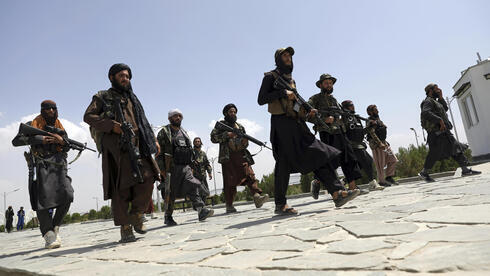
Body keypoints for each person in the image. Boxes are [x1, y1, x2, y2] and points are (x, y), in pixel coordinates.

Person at [257, 47, 359, 215]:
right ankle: (280, 204)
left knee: (318, 153)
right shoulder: (270, 77)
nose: (288, 58)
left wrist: (307, 112)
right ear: (278, 59)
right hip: (281, 124)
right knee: (284, 163)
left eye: (290, 56)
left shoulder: (291, 80)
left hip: (296, 123)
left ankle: (337, 192)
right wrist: (283, 92)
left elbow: (294, 104)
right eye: (284, 55)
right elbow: (261, 99)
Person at [84, 63, 161, 243]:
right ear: (112, 78)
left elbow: (143, 120)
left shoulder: (133, 98)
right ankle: (125, 227)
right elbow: (88, 116)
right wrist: (112, 126)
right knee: (122, 187)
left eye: (127, 76)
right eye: (121, 76)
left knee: (149, 177)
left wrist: (153, 140)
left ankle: (136, 213)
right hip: (116, 148)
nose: (125, 79)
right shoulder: (102, 96)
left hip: (138, 144)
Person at [12, 100, 74, 248]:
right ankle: (48, 234)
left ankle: (55, 227)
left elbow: (67, 147)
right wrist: (40, 139)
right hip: (41, 165)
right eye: (47, 108)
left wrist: (62, 141)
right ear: (42, 110)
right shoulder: (32, 124)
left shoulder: (60, 127)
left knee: (68, 195)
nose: (51, 111)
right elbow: (16, 141)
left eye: (54, 108)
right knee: (42, 201)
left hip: (59, 166)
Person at [308, 74, 365, 197]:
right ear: (321, 85)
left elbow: (341, 115)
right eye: (326, 83)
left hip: (340, 132)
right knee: (332, 160)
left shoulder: (335, 100)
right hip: (327, 132)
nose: (329, 85)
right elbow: (307, 115)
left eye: (330, 83)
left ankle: (352, 187)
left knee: (349, 158)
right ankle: (317, 180)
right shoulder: (315, 99)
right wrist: (324, 119)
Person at [156, 109, 214, 226]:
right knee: (170, 193)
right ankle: (168, 216)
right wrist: (161, 170)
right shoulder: (164, 132)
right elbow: (158, 153)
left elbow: (189, 151)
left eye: (179, 116)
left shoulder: (184, 132)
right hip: (170, 168)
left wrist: (192, 165)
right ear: (169, 118)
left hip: (185, 167)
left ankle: (201, 210)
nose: (178, 118)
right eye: (175, 116)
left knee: (192, 185)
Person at [210, 104, 269, 213]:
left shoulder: (240, 126)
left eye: (234, 112)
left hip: (241, 155)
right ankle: (229, 205)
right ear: (226, 113)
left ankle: (257, 197)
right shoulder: (221, 125)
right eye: (230, 112)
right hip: (228, 157)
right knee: (230, 181)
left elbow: (245, 141)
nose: (233, 114)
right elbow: (213, 138)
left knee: (249, 175)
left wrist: (244, 142)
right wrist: (227, 135)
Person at [419, 83, 481, 181]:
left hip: (444, 132)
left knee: (456, 148)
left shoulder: (436, 102)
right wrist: (439, 120)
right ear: (430, 91)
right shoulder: (428, 102)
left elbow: (445, 109)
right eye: (436, 89)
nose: (439, 90)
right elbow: (426, 113)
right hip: (436, 134)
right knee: (434, 154)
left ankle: (465, 170)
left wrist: (441, 97)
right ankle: (424, 172)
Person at [341, 100, 384, 191]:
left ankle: (344, 181)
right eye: (351, 105)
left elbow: (360, 132)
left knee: (358, 167)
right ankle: (372, 183)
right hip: (353, 146)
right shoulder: (344, 119)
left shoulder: (356, 118)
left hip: (360, 145)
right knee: (368, 161)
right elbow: (343, 133)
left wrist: (369, 127)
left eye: (353, 105)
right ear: (346, 107)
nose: (353, 107)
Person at [366, 104, 398, 186]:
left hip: (384, 143)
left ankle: (389, 177)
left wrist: (385, 142)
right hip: (377, 145)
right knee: (380, 164)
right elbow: (372, 133)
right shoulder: (370, 121)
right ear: (371, 112)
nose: (378, 111)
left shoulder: (378, 120)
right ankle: (381, 181)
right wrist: (379, 143)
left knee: (393, 159)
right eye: (375, 110)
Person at [191, 137, 212, 204]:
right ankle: (199, 207)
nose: (197, 142)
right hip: (195, 177)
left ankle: (203, 207)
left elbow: (207, 164)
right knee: (197, 193)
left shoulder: (203, 153)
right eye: (196, 141)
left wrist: (209, 173)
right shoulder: (191, 153)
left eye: (198, 141)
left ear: (200, 143)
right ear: (194, 143)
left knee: (205, 193)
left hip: (203, 176)